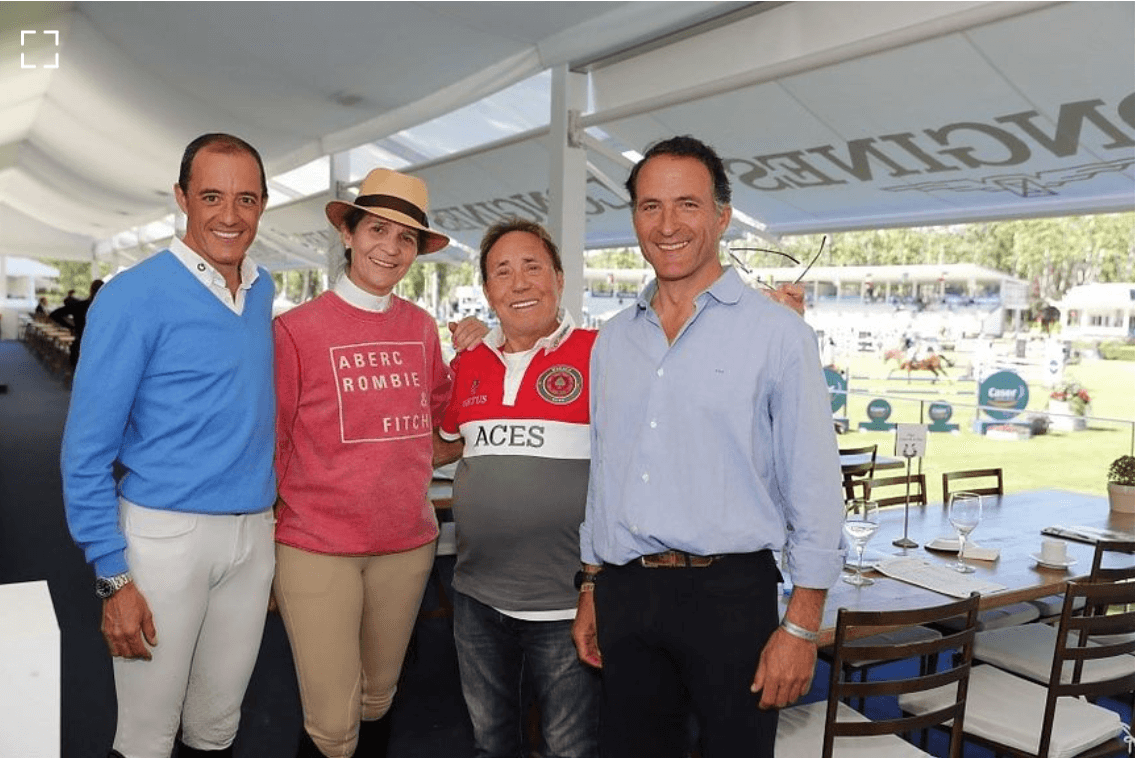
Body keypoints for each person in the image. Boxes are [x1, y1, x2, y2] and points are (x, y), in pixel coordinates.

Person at [571, 135, 844, 758]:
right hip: (625, 593)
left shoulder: (778, 335)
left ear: (722, 215)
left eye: (687, 205)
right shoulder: (611, 340)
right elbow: (605, 475)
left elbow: (815, 488)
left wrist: (801, 625)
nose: (667, 225)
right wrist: (590, 586)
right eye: (649, 207)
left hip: (730, 599)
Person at [61, 133, 276, 758]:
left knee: (218, 729)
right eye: (211, 196)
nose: (230, 215)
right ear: (181, 198)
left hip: (253, 538)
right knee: (147, 739)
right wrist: (111, 576)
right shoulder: (133, 295)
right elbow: (85, 452)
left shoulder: (261, 289)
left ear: (263, 205)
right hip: (163, 541)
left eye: (246, 198)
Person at [272, 167, 477, 758]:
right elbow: (273, 442)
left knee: (378, 702)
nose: (390, 247)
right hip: (317, 547)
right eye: (378, 230)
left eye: (406, 238)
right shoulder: (294, 330)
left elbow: (441, 427)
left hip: (407, 545)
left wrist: (479, 353)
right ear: (348, 234)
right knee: (334, 728)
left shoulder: (419, 327)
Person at [435, 218, 600, 758]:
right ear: (487, 291)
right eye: (502, 272)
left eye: (532, 267)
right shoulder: (470, 364)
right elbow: (441, 447)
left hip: (566, 604)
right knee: (490, 744)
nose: (519, 282)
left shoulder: (602, 355)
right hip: (477, 598)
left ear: (558, 278)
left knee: (568, 749)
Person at [50, 279, 104, 367]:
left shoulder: (80, 306)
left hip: (80, 346)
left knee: (78, 377)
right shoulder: (107, 309)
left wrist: (71, 327)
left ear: (90, 290)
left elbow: (54, 314)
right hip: (100, 348)